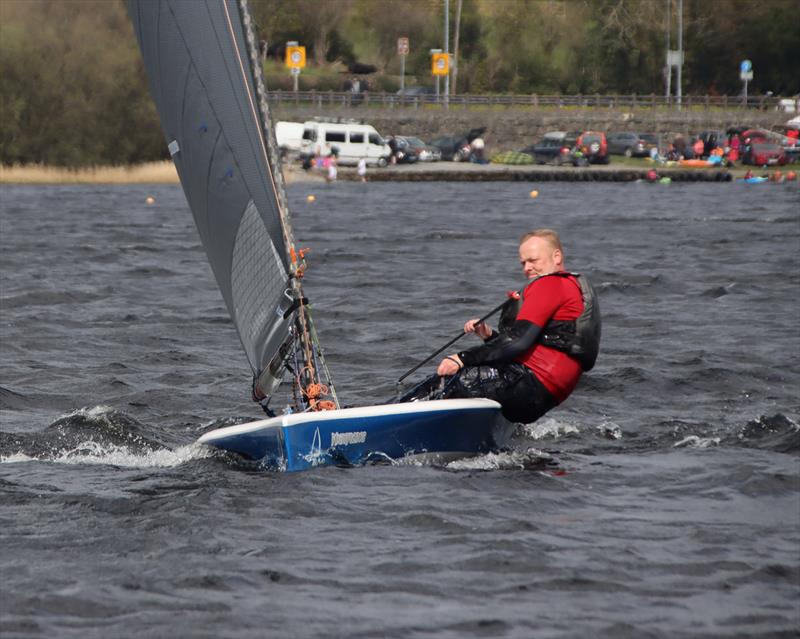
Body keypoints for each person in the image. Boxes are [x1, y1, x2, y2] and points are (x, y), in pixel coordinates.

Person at [429, 229, 601, 424]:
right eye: (523, 263)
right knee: (472, 380)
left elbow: (517, 342)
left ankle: (390, 425)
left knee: (448, 381)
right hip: (546, 396)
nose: (527, 268)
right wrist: (489, 336)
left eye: (533, 260)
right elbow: (530, 345)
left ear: (557, 256)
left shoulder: (550, 284)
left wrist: (462, 358)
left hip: (529, 385)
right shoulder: (571, 286)